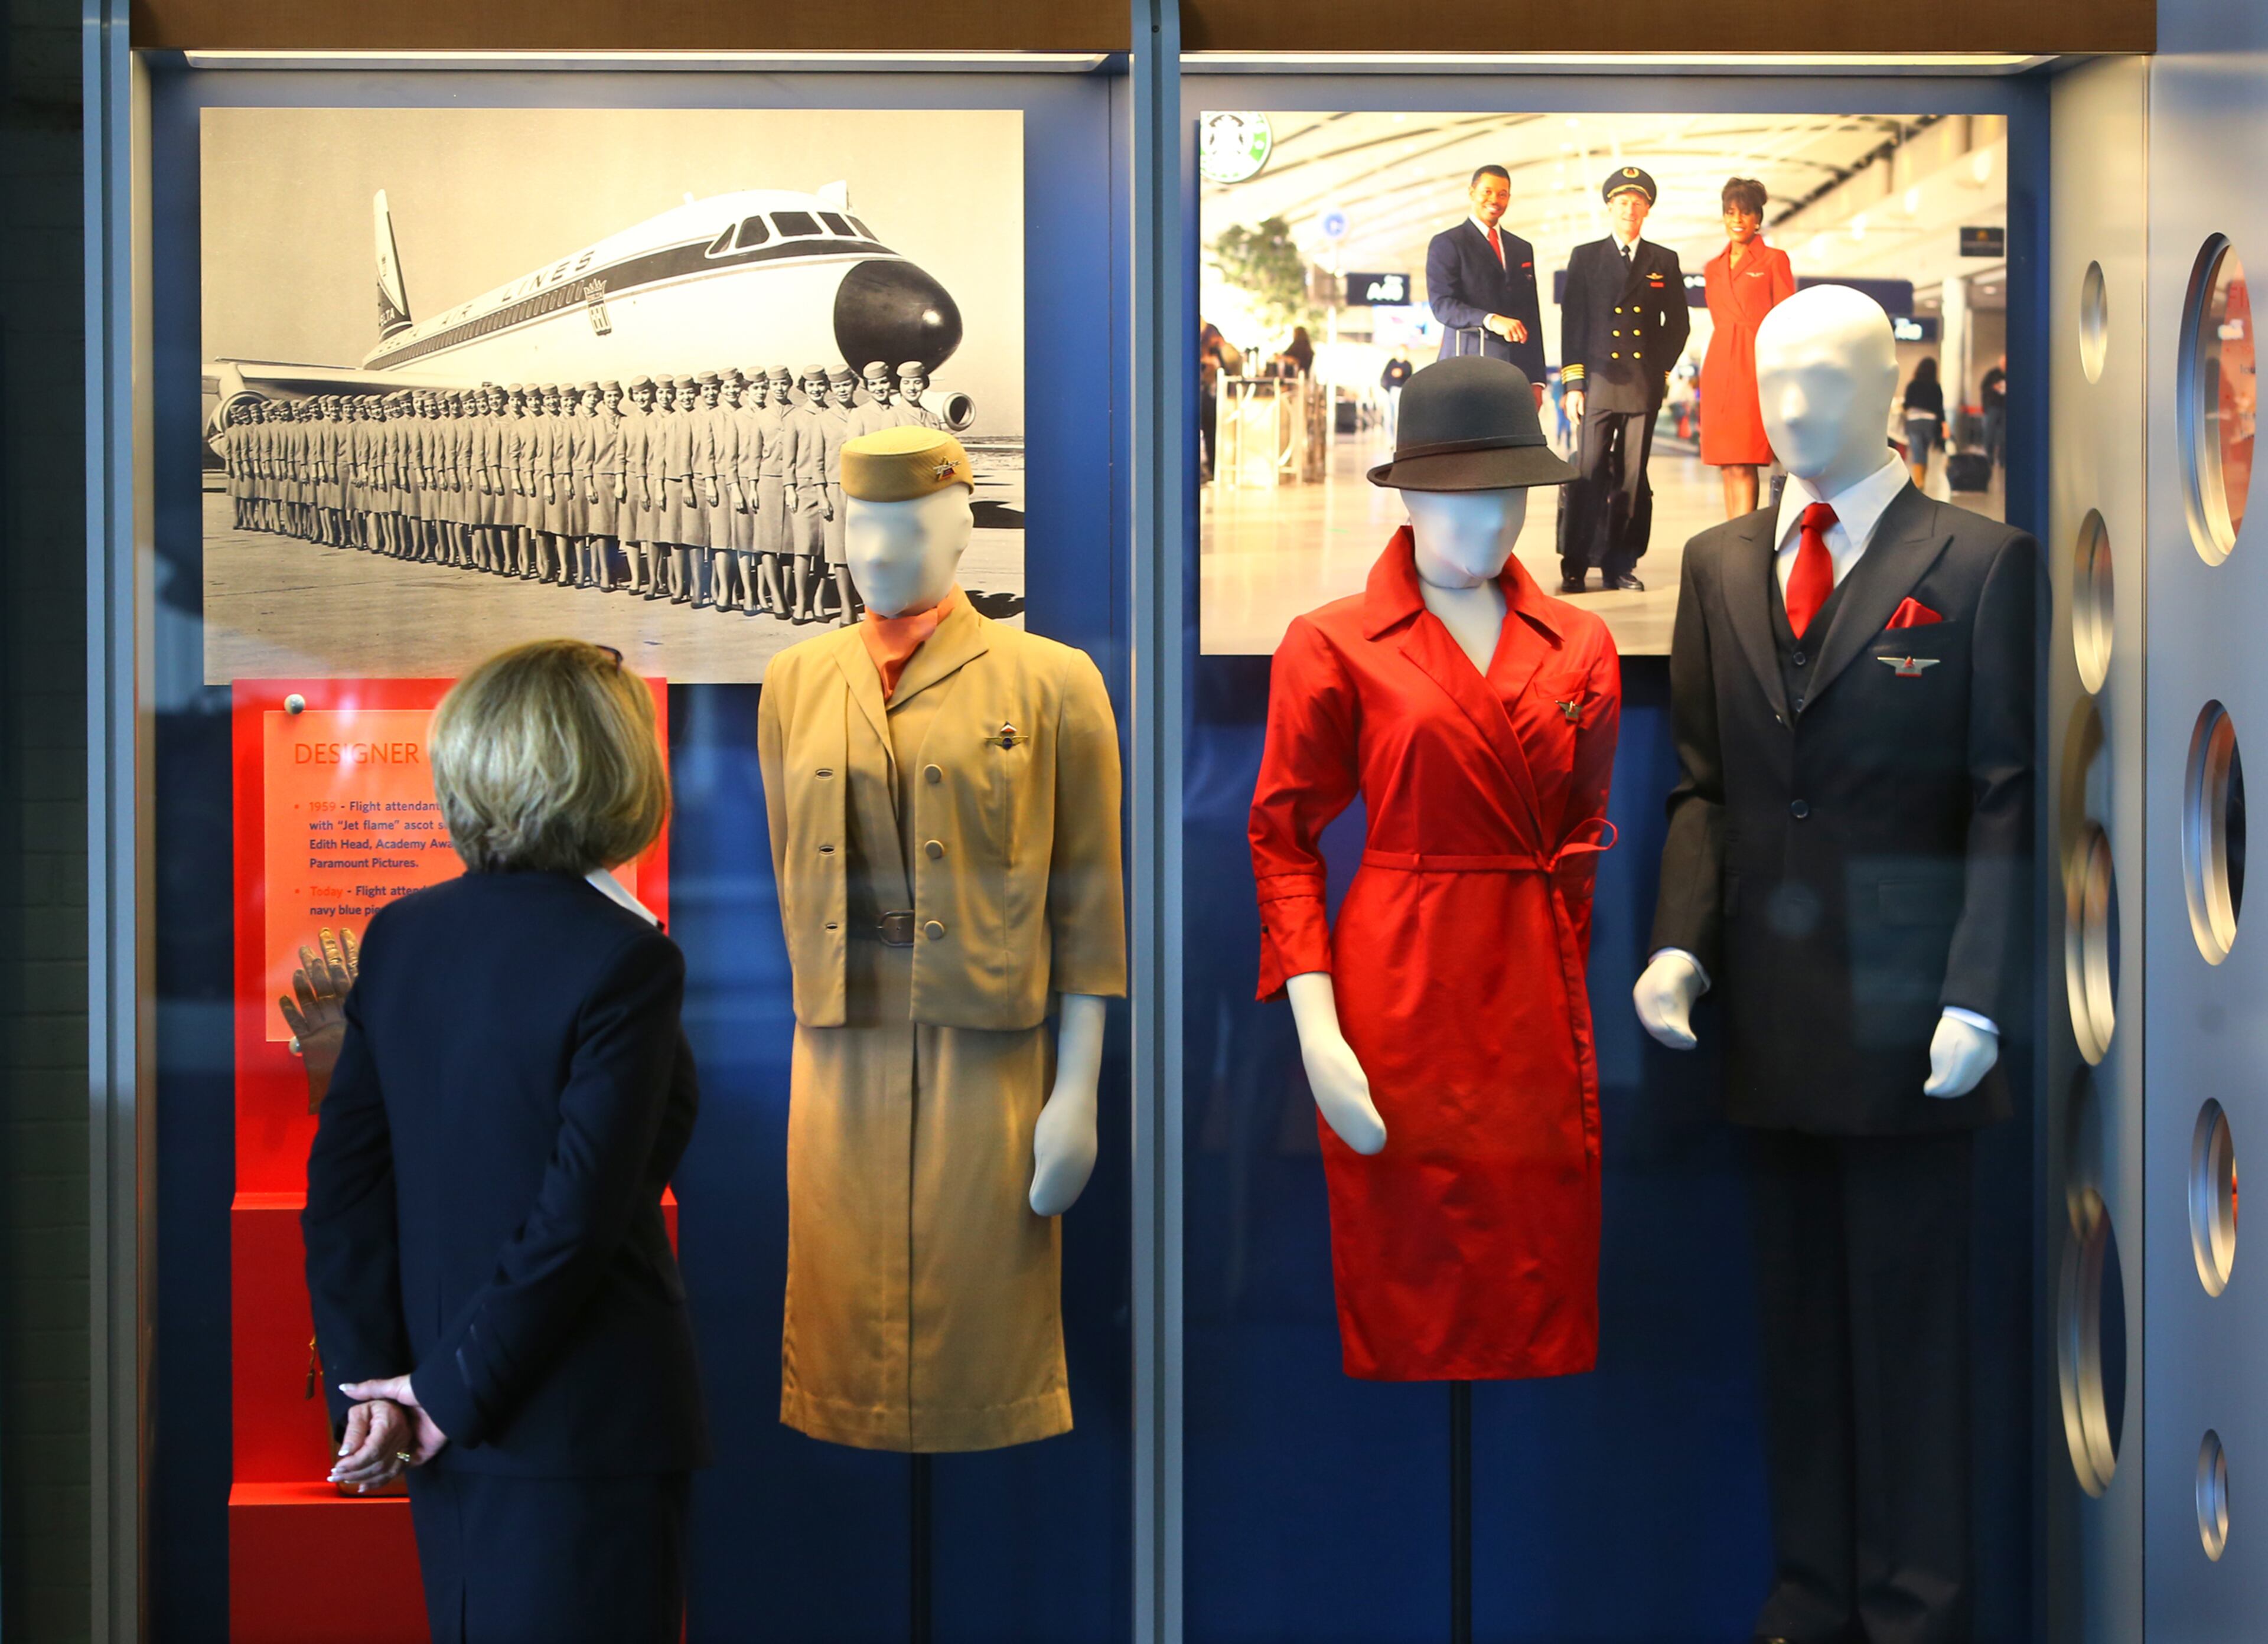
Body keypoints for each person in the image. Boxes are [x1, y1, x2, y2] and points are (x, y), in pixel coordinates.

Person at [304, 639, 708, 1643]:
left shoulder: (402, 933)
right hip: (576, 1424)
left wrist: (378, 1387)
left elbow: (346, 1187)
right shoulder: (628, 956)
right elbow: (578, 1216)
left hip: (437, 1426)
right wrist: (443, 1392)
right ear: (615, 767)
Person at [1558, 165, 1690, 593]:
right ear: (1609, 208)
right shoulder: (1585, 257)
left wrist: (1662, 369)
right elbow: (1572, 323)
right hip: (1597, 383)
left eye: (1638, 202)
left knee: (1633, 480)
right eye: (1622, 202)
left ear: (1648, 209)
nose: (1630, 208)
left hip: (1642, 385)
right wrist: (1573, 385)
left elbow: (1679, 325)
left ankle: (1620, 564)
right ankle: (1576, 562)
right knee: (1588, 473)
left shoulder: (1663, 260)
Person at [1700, 177, 1797, 520]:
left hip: (1755, 366)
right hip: (1719, 367)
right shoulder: (1712, 269)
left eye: (1745, 213)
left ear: (1758, 218)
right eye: (1730, 212)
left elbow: (1786, 320)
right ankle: (1733, 535)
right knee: (1727, 463)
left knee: (1744, 460)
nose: (1737, 220)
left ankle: (1744, 539)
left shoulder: (1774, 260)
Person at [1423, 164, 1548, 393]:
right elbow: (1443, 305)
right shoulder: (1449, 243)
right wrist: (1490, 320)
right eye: (1487, 192)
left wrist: (1537, 380)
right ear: (1472, 193)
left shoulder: (1521, 249)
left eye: (1502, 194)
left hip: (1514, 373)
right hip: (1465, 367)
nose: (1495, 200)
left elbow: (1531, 315)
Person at [1902, 356, 1948, 490]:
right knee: (1924, 451)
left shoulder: (1913, 385)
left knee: (1917, 452)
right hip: (1930, 423)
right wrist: (1944, 424)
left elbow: (1907, 404)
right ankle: (1921, 480)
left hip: (1914, 421)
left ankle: (1919, 481)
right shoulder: (1936, 386)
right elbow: (1940, 408)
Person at [1980, 353, 2008, 470]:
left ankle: (2002, 459)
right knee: (1989, 433)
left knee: (2004, 435)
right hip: (1992, 407)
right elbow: (1984, 387)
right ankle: (1989, 458)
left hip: (2006, 408)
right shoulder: (1993, 374)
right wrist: (1994, 387)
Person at [1378, 346, 1412, 441]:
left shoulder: (1407, 365)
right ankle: (1391, 439)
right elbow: (1385, 376)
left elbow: (1408, 378)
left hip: (1399, 391)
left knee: (1398, 416)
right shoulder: (1392, 363)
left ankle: (1399, 439)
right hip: (1389, 391)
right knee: (1389, 417)